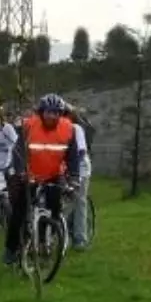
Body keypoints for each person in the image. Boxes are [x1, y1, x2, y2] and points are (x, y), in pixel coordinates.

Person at [3, 94, 81, 265]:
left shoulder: (68, 129)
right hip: (30, 174)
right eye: (48, 112)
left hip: (54, 174)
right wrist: (20, 171)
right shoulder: (30, 125)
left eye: (56, 113)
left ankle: (47, 239)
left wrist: (74, 178)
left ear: (61, 114)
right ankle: (11, 248)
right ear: (41, 112)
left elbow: (73, 157)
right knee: (20, 211)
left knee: (55, 208)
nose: (52, 116)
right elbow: (18, 151)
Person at [67, 104, 92, 249]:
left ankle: (80, 238)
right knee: (67, 203)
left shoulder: (76, 129)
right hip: (65, 171)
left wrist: (72, 170)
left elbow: (81, 152)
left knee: (80, 201)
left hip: (81, 170)